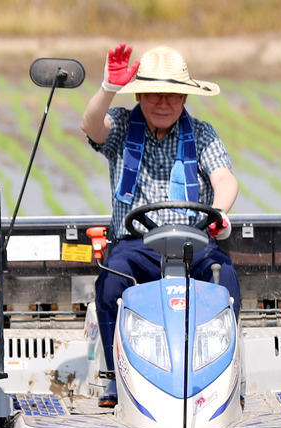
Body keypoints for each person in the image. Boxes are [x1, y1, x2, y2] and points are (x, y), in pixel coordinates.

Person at [82, 43, 240, 407]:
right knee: (111, 280)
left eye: (172, 94)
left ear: (185, 97)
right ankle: (114, 380)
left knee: (223, 276)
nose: (163, 102)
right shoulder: (121, 126)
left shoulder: (202, 134)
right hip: (135, 244)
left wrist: (217, 211)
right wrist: (107, 86)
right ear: (139, 94)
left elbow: (225, 179)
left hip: (193, 242)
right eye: (154, 93)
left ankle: (226, 379)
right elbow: (91, 126)